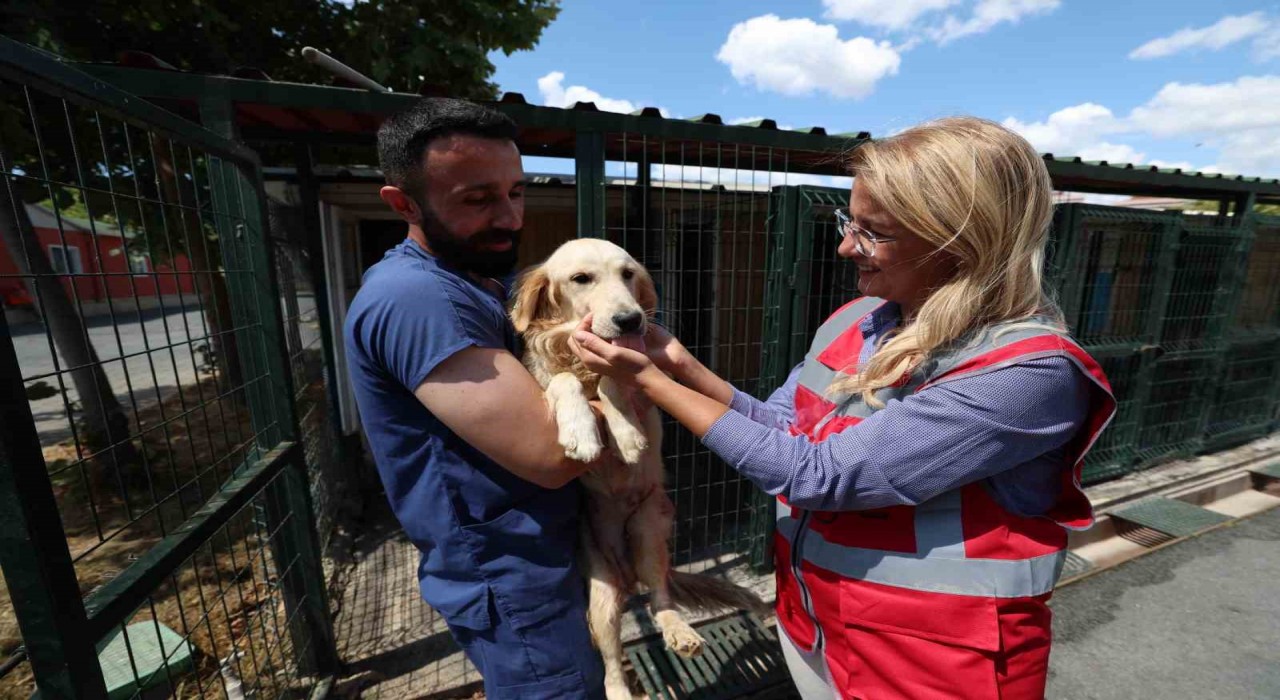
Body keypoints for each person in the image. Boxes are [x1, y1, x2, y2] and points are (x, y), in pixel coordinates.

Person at [569, 117, 1116, 700]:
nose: (846, 246)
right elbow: (784, 429)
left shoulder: (1025, 374)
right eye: (848, 222)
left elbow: (818, 475)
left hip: (935, 666)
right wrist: (680, 364)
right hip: (819, 626)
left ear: (957, 240)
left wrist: (649, 381)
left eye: (873, 233)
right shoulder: (856, 321)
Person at [343, 98, 607, 699]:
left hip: (541, 557)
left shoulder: (476, 276)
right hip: (511, 577)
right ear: (404, 204)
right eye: (478, 199)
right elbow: (554, 453)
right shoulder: (418, 298)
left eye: (516, 192)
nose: (510, 217)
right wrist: (637, 390)